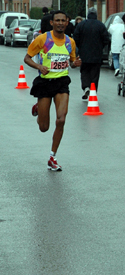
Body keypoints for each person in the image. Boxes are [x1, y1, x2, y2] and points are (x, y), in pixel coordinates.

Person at [24, 10, 82, 171]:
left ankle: (52, 156)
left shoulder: (70, 42)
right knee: (44, 128)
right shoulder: (43, 39)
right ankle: (38, 108)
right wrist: (39, 66)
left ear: (67, 22)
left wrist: (75, 63)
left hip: (61, 83)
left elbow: (71, 61)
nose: (60, 23)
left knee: (61, 119)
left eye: (63, 20)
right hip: (44, 83)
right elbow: (27, 58)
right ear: (52, 22)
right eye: (57, 20)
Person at [73, 7, 110, 100]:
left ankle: (86, 87)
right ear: (96, 15)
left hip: (84, 53)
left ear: (88, 14)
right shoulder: (101, 25)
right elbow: (106, 39)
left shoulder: (81, 25)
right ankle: (93, 91)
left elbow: (75, 38)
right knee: (95, 73)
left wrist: (80, 46)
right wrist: (101, 47)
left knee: (84, 71)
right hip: (97, 54)